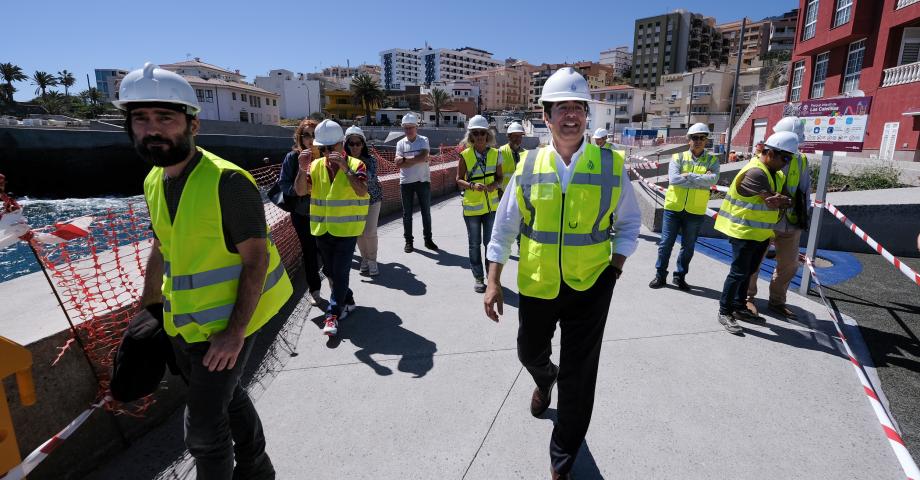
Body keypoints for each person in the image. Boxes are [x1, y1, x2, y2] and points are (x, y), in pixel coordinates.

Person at [116, 62, 292, 479]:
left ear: (192, 125)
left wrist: (234, 334)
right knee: (229, 401)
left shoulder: (229, 183)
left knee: (204, 431)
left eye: (165, 118)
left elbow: (256, 259)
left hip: (230, 324)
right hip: (184, 324)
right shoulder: (153, 181)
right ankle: (258, 469)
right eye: (140, 119)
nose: (152, 129)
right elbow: (163, 244)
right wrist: (149, 309)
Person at [483, 67, 641, 480]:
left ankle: (563, 455)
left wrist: (615, 269)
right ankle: (544, 376)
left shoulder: (610, 165)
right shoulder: (529, 165)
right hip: (537, 284)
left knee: (581, 374)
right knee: (529, 352)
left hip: (592, 286)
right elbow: (504, 225)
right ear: (546, 115)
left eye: (578, 108)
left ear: (587, 115)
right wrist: (494, 279)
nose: (570, 115)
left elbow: (628, 223)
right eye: (561, 108)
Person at [713, 131, 797, 335]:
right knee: (738, 272)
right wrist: (782, 200)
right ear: (770, 153)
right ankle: (725, 311)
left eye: (789, 159)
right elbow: (775, 201)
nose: (786, 163)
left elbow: (782, 198)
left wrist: (783, 199)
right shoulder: (756, 172)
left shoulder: (775, 173)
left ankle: (739, 306)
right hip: (742, 230)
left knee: (748, 272)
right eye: (784, 158)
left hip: (759, 233)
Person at [306, 119, 369, 336]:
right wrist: (298, 169)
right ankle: (348, 299)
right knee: (330, 271)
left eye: (329, 148)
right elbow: (299, 190)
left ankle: (332, 315)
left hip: (347, 230)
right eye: (321, 148)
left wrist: (345, 169)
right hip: (322, 229)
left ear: (341, 144)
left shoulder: (356, 165)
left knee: (340, 274)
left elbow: (361, 191)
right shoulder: (313, 166)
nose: (325, 152)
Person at [746, 117, 811, 318]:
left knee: (789, 264)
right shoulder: (761, 158)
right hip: (765, 219)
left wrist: (803, 215)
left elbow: (805, 190)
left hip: (790, 221)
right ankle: (747, 298)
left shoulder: (801, 160)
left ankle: (777, 301)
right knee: (754, 262)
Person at [649, 123, 720, 291]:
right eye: (695, 137)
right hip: (673, 208)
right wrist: (701, 178)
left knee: (688, 247)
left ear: (706, 140)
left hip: (695, 210)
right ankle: (660, 275)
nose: (698, 141)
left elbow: (713, 180)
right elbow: (674, 179)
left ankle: (679, 276)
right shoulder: (678, 157)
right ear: (689, 140)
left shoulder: (712, 160)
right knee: (666, 243)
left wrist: (689, 176)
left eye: (702, 138)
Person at [279, 118, 325, 305]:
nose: (310, 139)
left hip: (325, 210)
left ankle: (333, 281)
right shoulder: (292, 158)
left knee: (326, 248)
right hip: (302, 212)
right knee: (309, 251)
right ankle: (314, 289)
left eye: (314, 135)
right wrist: (300, 189)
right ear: (300, 137)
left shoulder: (326, 155)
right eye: (306, 135)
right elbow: (284, 184)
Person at [456, 115, 503, 293]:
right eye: (476, 133)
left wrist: (493, 185)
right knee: (474, 244)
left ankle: (491, 279)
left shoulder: (496, 154)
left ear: (487, 134)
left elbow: (500, 178)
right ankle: (478, 278)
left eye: (483, 133)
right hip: (472, 208)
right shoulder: (465, 155)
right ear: (471, 136)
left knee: (490, 244)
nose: (480, 136)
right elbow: (458, 179)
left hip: (491, 207)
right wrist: (472, 186)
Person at [395, 113, 438, 253]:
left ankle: (428, 240)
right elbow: (398, 164)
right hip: (405, 183)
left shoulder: (423, 140)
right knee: (407, 214)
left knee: (426, 212)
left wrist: (406, 159)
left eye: (411, 127)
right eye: (406, 128)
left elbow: (424, 155)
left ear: (416, 127)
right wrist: (418, 159)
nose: (408, 130)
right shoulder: (400, 143)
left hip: (423, 181)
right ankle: (408, 242)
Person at [345, 125, 383, 277]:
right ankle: (365, 259)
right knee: (359, 232)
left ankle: (372, 260)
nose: (355, 147)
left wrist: (350, 171)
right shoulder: (344, 161)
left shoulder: (371, 160)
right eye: (351, 143)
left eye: (358, 143)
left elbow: (370, 177)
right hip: (353, 202)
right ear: (346, 144)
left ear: (363, 144)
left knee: (370, 231)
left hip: (373, 199)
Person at [498, 121, 526, 194]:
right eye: (515, 136)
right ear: (509, 136)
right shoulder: (501, 151)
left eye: (520, 136)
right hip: (504, 193)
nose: (518, 138)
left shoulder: (525, 153)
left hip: (519, 192)